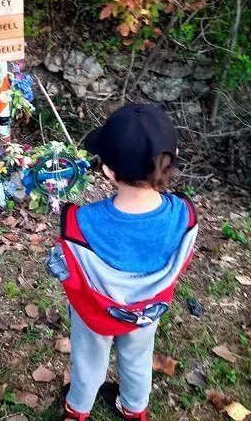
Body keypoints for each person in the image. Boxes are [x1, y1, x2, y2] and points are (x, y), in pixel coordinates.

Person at [46, 104, 198, 421]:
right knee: (138, 359)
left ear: (108, 171)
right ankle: (133, 410)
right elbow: (182, 263)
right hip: (146, 312)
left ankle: (77, 411)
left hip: (93, 315)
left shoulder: (78, 222)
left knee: (88, 362)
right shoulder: (184, 216)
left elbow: (68, 272)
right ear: (173, 157)